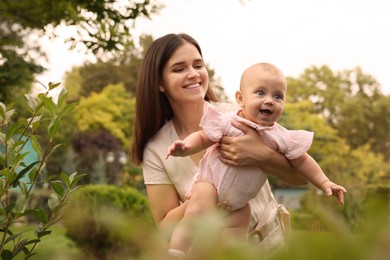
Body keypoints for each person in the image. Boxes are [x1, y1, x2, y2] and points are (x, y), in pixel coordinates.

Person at [131, 33, 307, 258]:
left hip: (275, 247)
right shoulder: (157, 148)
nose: (193, 74)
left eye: (198, 65)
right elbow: (165, 227)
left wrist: (261, 156)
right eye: (179, 69)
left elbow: (300, 177)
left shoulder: (241, 115)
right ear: (160, 83)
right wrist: (201, 200)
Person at [165, 62, 347, 256]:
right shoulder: (230, 120)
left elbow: (302, 161)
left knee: (238, 230)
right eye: (260, 93)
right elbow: (203, 137)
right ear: (240, 99)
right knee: (198, 212)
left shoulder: (279, 136)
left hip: (239, 203)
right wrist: (185, 146)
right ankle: (177, 251)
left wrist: (324, 182)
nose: (269, 100)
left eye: (278, 96)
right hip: (210, 185)